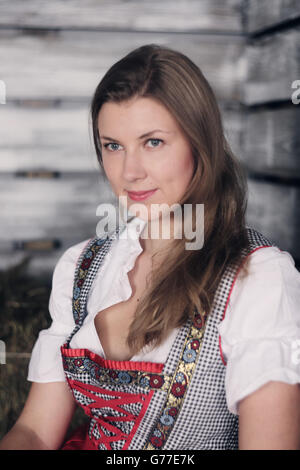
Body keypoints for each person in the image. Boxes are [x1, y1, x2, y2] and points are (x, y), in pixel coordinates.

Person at [1, 44, 300, 450]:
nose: (130, 172)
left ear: (200, 144)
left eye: (154, 142)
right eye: (113, 145)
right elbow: (35, 432)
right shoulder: (82, 267)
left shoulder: (257, 277)